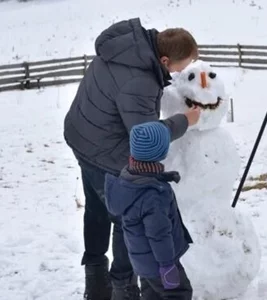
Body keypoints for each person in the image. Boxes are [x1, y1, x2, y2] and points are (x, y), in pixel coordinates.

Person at [63, 17, 200, 300]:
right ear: (164, 59)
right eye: (180, 67)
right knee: (128, 216)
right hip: (105, 152)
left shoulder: (125, 48)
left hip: (82, 135)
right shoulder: (140, 81)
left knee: (97, 210)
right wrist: (184, 120)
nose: (180, 72)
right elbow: (144, 136)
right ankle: (122, 286)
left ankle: (96, 282)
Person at [105, 121, 194, 300]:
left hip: (142, 261)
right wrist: (167, 266)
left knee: (152, 295)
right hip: (159, 263)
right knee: (179, 294)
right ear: (160, 152)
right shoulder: (154, 196)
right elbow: (159, 234)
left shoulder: (130, 178)